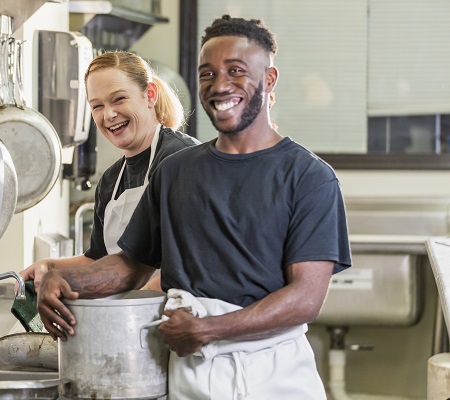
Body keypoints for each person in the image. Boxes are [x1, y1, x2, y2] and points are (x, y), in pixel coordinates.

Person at [37, 15, 351, 399]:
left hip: (274, 374)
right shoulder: (176, 172)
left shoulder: (309, 177)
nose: (220, 85)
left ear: (269, 79)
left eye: (236, 71)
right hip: (192, 375)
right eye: (207, 74)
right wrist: (63, 280)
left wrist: (210, 329)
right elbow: (129, 267)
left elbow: (306, 298)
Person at [19, 51, 199, 288]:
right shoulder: (111, 180)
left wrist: (132, 308)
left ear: (150, 95)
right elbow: (98, 260)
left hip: (178, 315)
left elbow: (195, 261)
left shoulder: (182, 159)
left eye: (119, 99)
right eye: (97, 106)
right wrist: (50, 267)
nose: (109, 115)